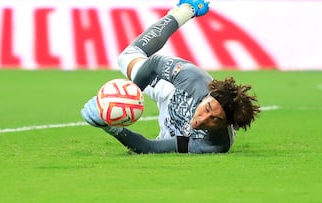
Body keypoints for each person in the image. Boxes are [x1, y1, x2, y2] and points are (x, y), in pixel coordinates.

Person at [81, 0, 260, 154]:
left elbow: (149, 147)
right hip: (171, 91)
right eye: (207, 108)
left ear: (226, 124)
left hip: (172, 130)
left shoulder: (214, 144)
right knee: (126, 57)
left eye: (215, 120)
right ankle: (186, 10)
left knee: (164, 139)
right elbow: (154, 64)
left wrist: (110, 128)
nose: (203, 119)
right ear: (208, 96)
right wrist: (127, 95)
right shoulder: (191, 78)